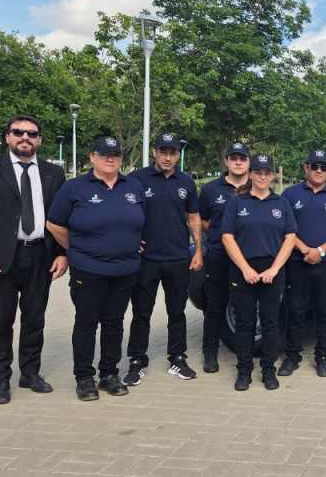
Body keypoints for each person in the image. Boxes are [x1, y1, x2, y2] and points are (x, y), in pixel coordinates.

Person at [0, 115, 67, 404]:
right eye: (18, 132)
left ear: (39, 140)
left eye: (32, 134)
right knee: (2, 320)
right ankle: (0, 379)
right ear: (8, 137)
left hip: (40, 256)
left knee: (35, 319)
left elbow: (60, 219)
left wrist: (62, 253)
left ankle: (30, 373)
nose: (25, 138)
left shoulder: (52, 173)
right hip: (1, 259)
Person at [46, 137, 145, 400]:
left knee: (114, 323)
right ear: (92, 157)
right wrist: (75, 248)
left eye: (115, 154)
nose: (110, 159)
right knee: (87, 323)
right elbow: (54, 224)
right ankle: (84, 377)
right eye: (104, 154)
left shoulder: (133, 187)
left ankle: (109, 373)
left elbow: (139, 222)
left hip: (125, 270)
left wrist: (135, 241)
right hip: (89, 270)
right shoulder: (75, 188)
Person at [124, 133, 202, 386]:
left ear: (178, 155)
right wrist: (130, 239)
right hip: (146, 259)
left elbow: (193, 218)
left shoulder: (187, 182)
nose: (168, 157)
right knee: (141, 312)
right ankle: (137, 360)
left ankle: (177, 358)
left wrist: (198, 249)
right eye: (163, 152)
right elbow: (125, 213)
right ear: (154, 152)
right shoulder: (137, 179)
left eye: (173, 152)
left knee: (177, 312)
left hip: (178, 257)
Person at [221, 153, 297, 391]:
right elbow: (227, 236)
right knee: (244, 324)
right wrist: (245, 268)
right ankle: (244, 371)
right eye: (258, 172)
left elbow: (290, 237)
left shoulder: (281, 204)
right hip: (243, 270)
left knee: (270, 323)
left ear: (273, 176)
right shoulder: (237, 202)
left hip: (272, 271)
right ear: (251, 174)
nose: (263, 176)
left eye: (267, 172)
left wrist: (274, 269)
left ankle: (268, 370)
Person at [281, 149, 326, 378]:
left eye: (323, 167)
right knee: (295, 310)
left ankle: (323, 356)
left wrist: (320, 251)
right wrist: (304, 250)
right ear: (306, 168)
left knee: (324, 311)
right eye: (314, 166)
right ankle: (292, 356)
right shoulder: (290, 195)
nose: (319, 171)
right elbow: (285, 229)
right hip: (296, 261)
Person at [198, 142, 252, 373]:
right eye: (234, 158)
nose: (238, 162)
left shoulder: (256, 187)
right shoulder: (211, 189)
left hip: (246, 258)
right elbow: (202, 219)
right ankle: (210, 354)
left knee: (244, 308)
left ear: (249, 162)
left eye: (242, 158)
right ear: (226, 161)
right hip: (219, 256)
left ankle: (244, 355)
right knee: (215, 306)